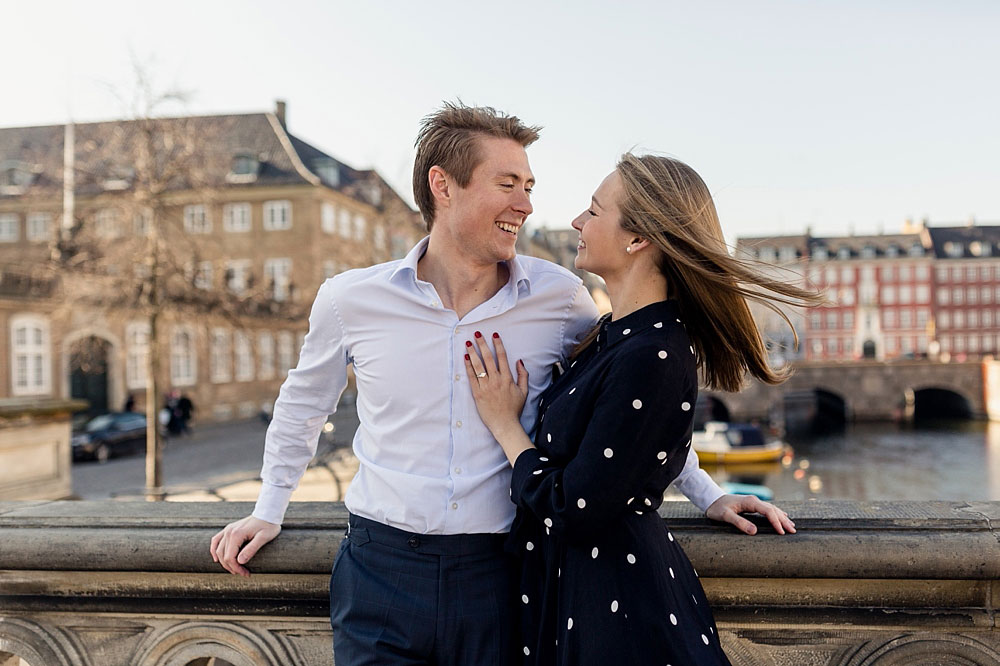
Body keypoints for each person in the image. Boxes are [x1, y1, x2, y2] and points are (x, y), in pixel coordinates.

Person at [210, 104, 794, 665]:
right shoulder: (350, 298)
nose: (527, 206)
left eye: (530, 186)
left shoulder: (560, 298)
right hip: (379, 571)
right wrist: (269, 508)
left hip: (500, 574)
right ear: (444, 185)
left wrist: (708, 494)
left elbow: (626, 414)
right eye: (508, 183)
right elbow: (302, 406)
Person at [463, 153, 818, 664]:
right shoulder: (617, 336)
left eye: (593, 210)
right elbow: (634, 446)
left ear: (637, 239)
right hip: (586, 594)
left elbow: (573, 507)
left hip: (615, 612)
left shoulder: (653, 352)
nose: (576, 222)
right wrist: (708, 493)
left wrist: (504, 424)